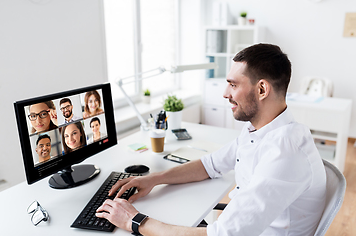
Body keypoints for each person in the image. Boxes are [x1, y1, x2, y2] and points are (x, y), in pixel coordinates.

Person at [96, 44, 327, 236]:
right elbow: (210, 165)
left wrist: (135, 222)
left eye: (234, 84)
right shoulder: (259, 129)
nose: (225, 93)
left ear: (262, 89)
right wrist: (154, 179)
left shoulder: (285, 151)